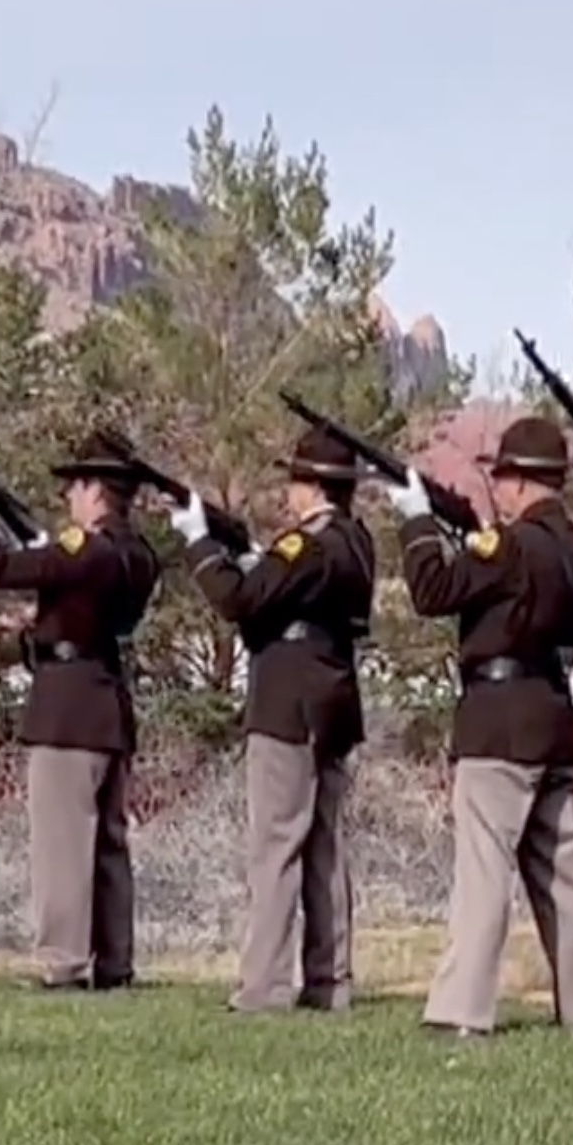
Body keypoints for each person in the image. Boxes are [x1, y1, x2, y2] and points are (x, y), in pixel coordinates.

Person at [391, 417, 573, 1037]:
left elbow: (431, 590)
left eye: (503, 475)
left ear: (517, 482)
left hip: (498, 718)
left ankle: (463, 1009)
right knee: (563, 874)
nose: (498, 487)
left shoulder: (509, 547)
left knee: (485, 870)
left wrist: (415, 521)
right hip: (553, 712)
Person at [0, 427, 161, 992]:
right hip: (106, 702)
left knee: (63, 843)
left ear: (93, 491)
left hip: (67, 708)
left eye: (75, 488)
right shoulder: (138, 554)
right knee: (108, 843)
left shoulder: (86, 551)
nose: (69, 498)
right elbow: (71, 601)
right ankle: (113, 962)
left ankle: (63, 962)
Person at [169, 423, 376, 1015]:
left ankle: (264, 986)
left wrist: (199, 543)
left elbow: (240, 602)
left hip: (289, 698)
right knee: (323, 846)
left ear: (312, 487)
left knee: (276, 846)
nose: (289, 491)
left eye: (296, 480)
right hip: (332, 695)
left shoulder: (306, 545)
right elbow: (283, 588)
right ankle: (329, 979)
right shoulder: (355, 541)